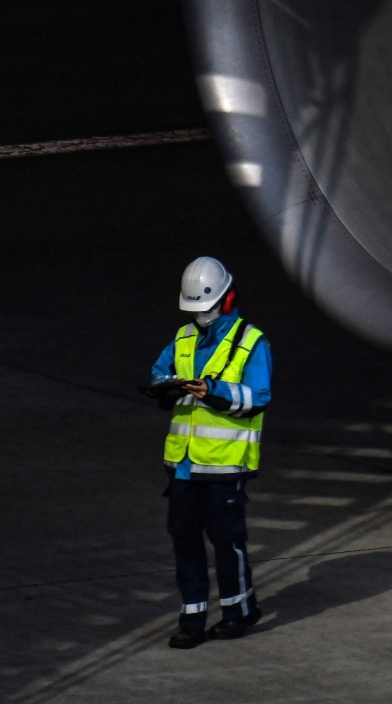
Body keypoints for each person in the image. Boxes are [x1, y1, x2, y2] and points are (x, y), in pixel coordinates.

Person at [150, 256, 273, 649]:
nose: (199, 316)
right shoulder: (183, 337)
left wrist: (214, 392)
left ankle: (239, 612)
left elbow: (258, 396)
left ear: (223, 299)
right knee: (184, 541)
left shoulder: (251, 341)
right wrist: (166, 386)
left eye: (204, 308)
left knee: (226, 540)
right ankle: (192, 619)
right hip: (183, 466)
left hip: (223, 464)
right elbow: (159, 371)